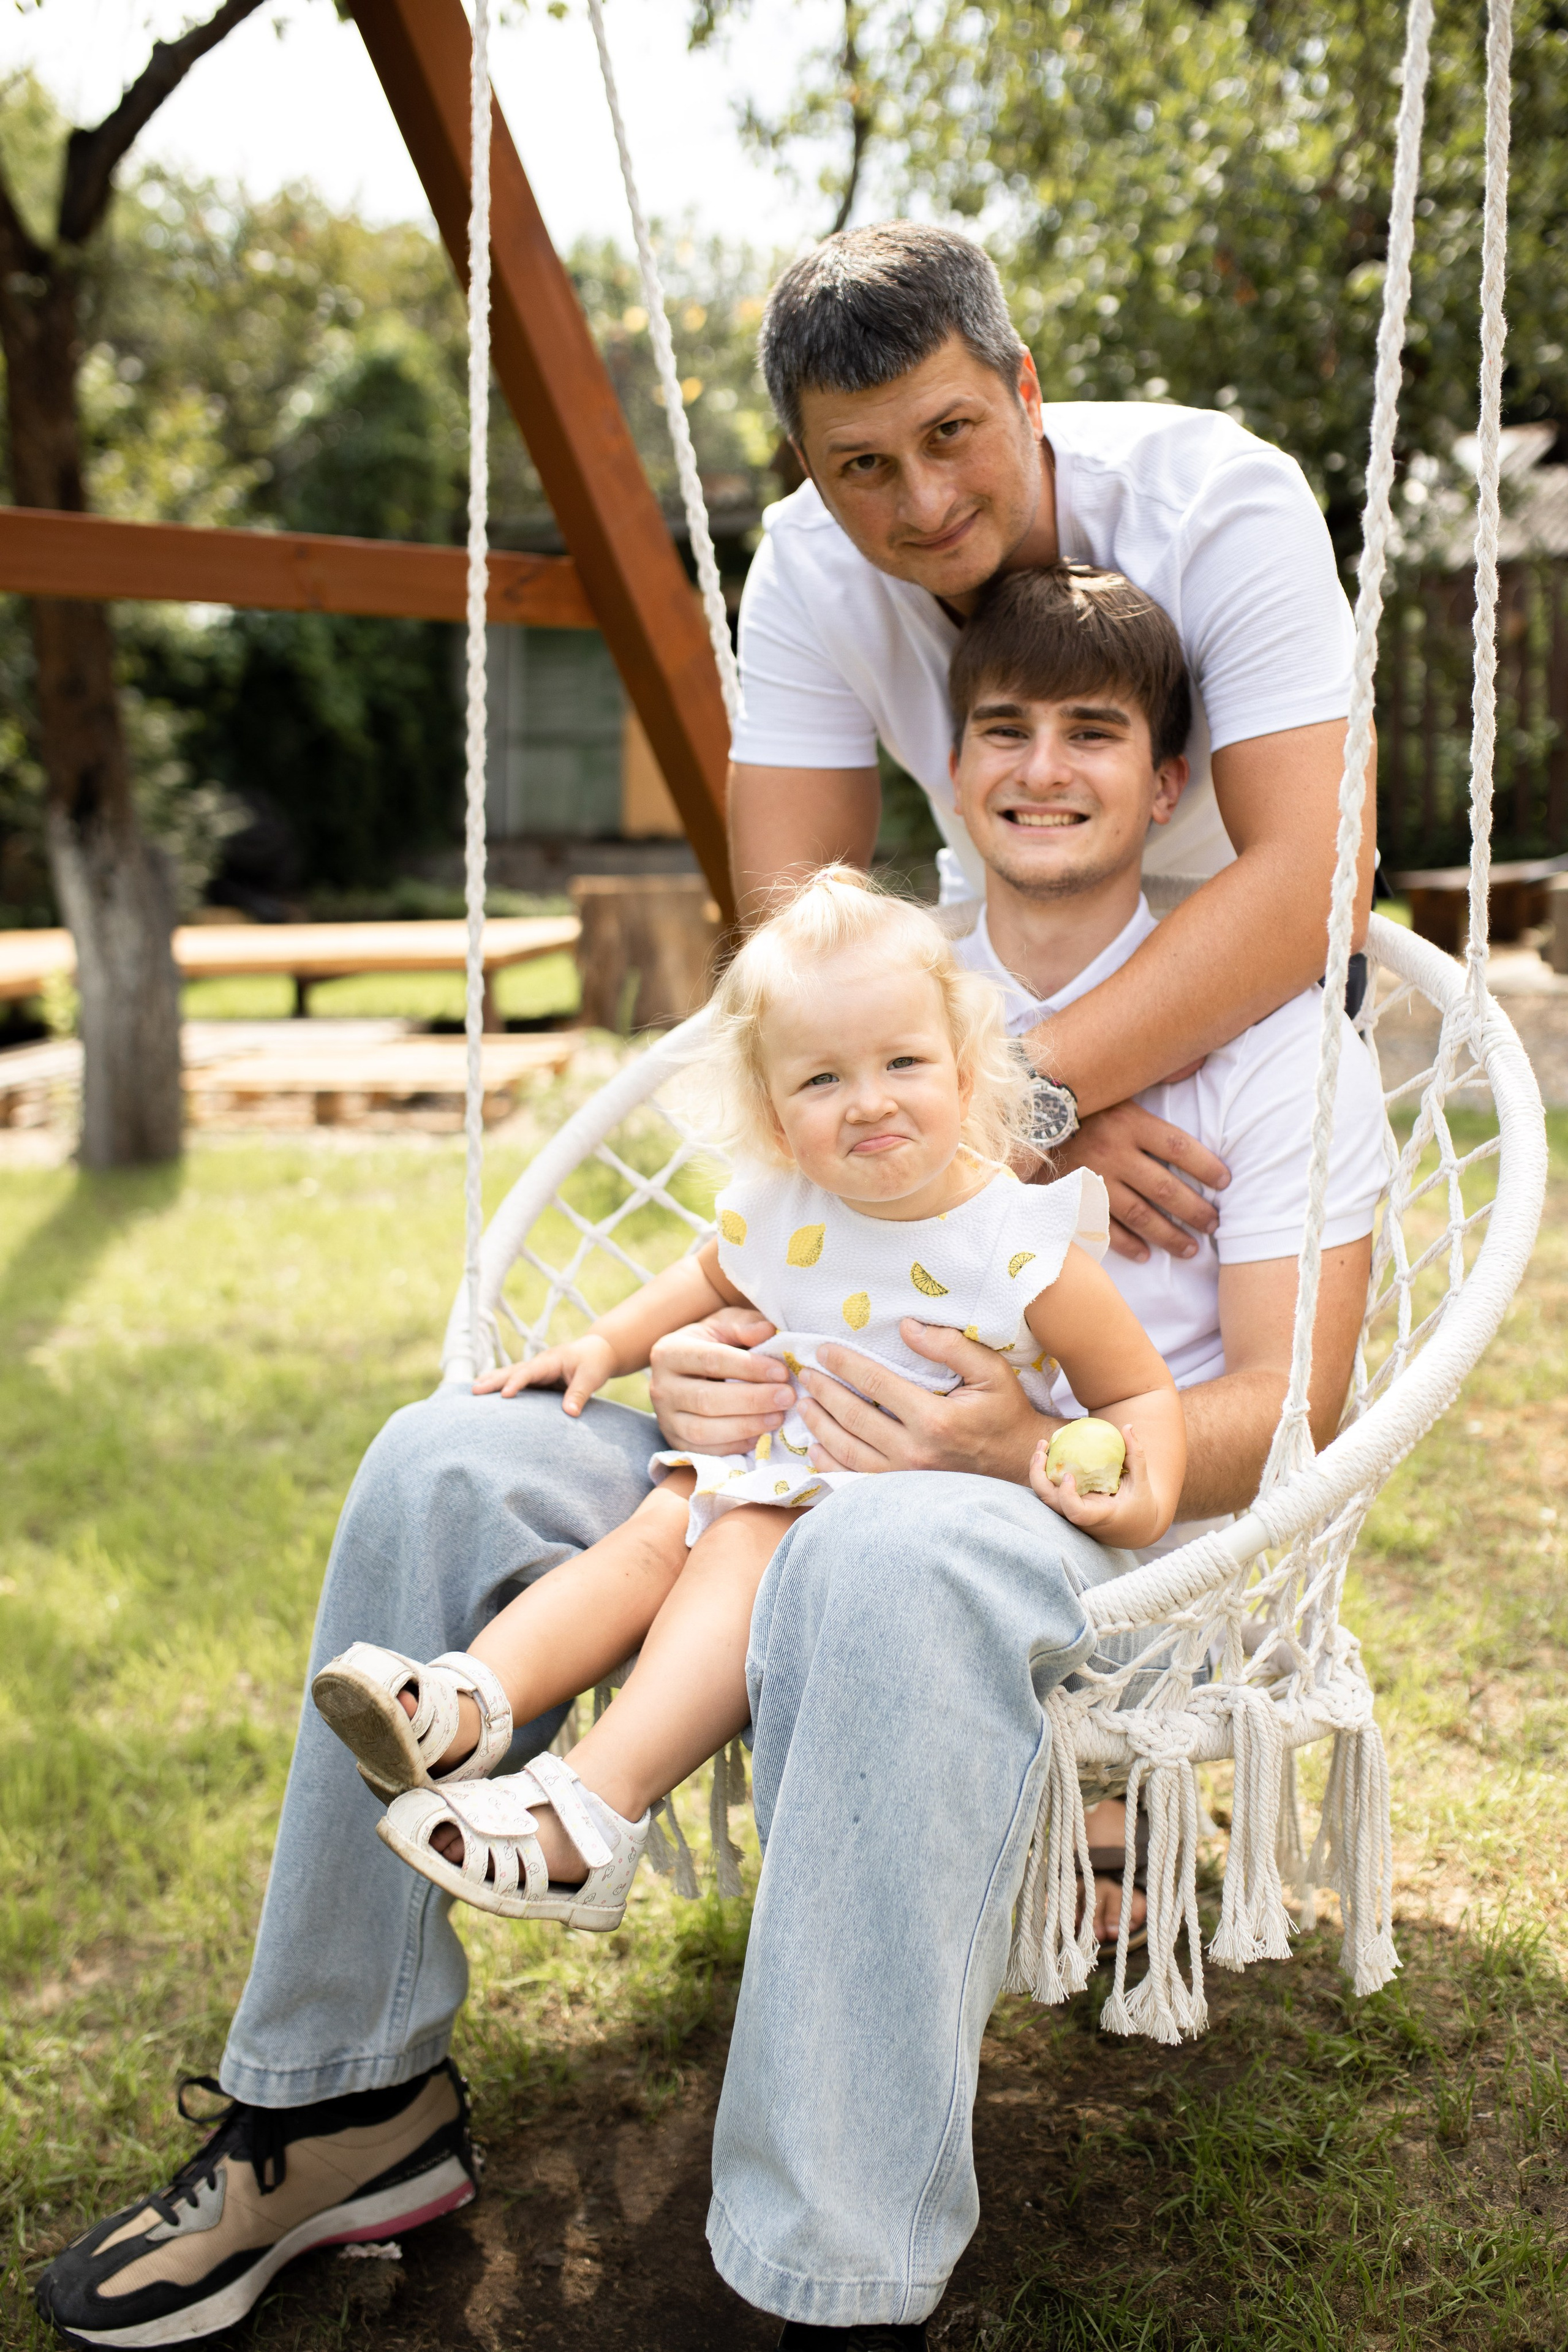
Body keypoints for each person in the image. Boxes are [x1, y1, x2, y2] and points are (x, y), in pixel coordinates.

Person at [36, 230, 1383, 2352]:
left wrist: (1019, 1377)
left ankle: (820, 2281)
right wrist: (761, 1296)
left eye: (956, 437)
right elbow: (791, 994)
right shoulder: (900, 1012)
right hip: (785, 1428)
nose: (918, 499)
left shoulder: (1271, 988)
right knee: (447, 1460)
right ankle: (340, 2104)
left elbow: (1283, 1378)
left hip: (1025, 1493)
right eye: (861, 467)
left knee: (878, 1557)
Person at [309, 872, 1185, 1929]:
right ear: (776, 1117)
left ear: (964, 1071)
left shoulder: (1017, 1244)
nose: (868, 1101)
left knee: (729, 1549)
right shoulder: (787, 1212)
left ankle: (591, 1814)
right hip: (767, 1472)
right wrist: (604, 1344)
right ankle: (463, 1706)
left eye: (903, 1063)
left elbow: (1139, 1390)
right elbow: (701, 1279)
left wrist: (1139, 1496)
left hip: (907, 1522)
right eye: (822, 1079)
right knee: (649, 1538)